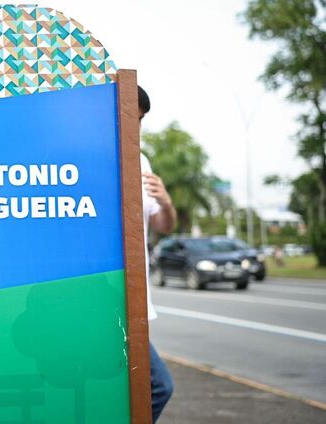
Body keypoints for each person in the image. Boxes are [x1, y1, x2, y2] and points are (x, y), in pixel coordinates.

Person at [138, 85, 177, 423]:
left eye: (140, 120)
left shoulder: (141, 161)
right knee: (159, 385)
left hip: (135, 300)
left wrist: (165, 201)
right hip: (101, 297)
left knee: (154, 386)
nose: (135, 126)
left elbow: (164, 225)